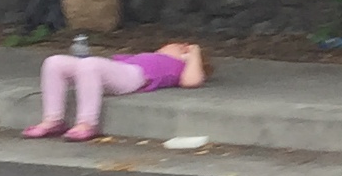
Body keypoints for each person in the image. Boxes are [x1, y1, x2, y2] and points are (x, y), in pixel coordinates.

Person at [21, 40, 208, 142]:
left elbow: (192, 81)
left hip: (133, 76)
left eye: (181, 47)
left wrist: (194, 54)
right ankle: (52, 119)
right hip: (115, 71)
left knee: (90, 64)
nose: (176, 45)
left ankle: (87, 123)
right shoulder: (146, 56)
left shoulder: (177, 65)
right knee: (54, 62)